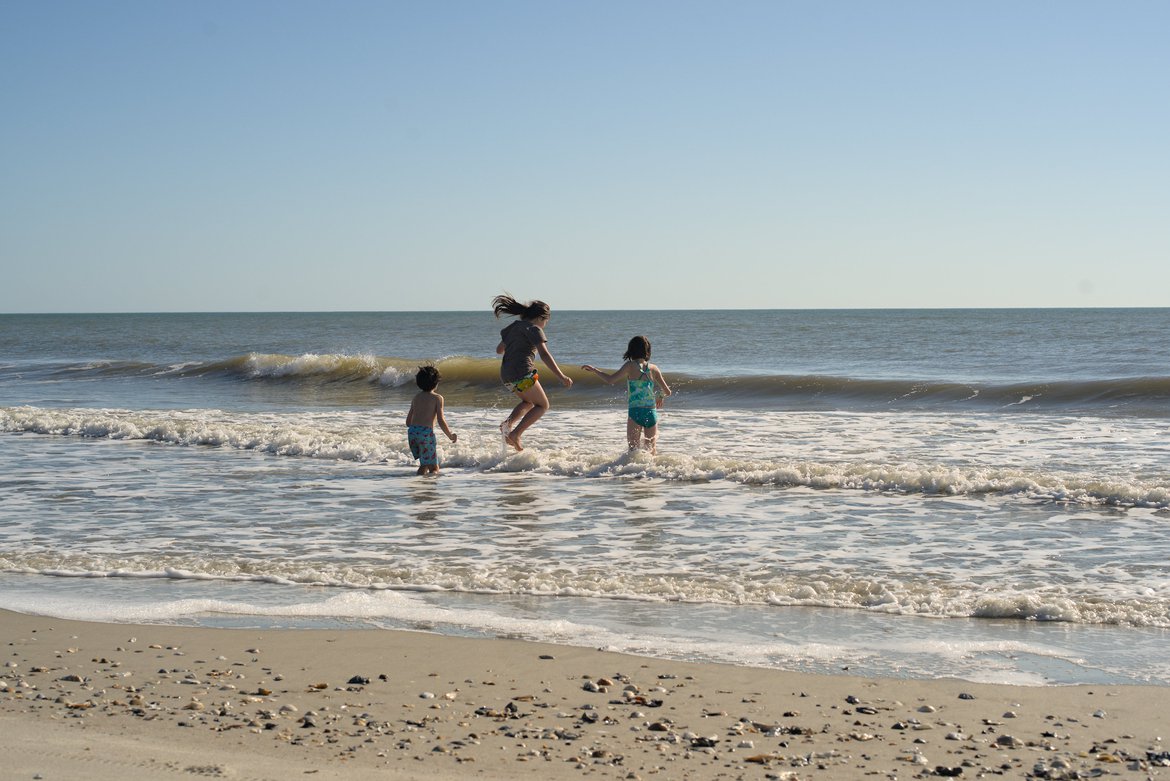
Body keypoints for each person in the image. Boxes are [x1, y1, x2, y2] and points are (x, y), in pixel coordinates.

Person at [492, 293, 573, 451]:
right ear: (541, 317)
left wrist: (516, 346)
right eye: (546, 320)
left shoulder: (513, 327)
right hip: (523, 372)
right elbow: (544, 354)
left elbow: (499, 349)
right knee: (542, 405)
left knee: (528, 402)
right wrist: (561, 376)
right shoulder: (534, 329)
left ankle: (507, 424)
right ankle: (515, 434)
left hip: (506, 374)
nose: (546, 324)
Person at [582, 335, 672, 454]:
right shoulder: (654, 368)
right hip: (651, 413)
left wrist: (595, 370)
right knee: (651, 451)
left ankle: (632, 471)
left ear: (631, 350)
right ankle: (651, 472)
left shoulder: (629, 366)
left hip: (635, 412)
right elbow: (668, 391)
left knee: (633, 451)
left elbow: (610, 380)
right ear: (648, 351)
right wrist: (660, 396)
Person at [405, 365, 457, 475]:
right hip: (425, 434)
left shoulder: (416, 397)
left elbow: (408, 422)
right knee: (434, 467)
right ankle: (429, 488)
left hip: (412, 433)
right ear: (436, 383)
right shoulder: (437, 398)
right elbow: (441, 420)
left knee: (424, 464)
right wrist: (450, 435)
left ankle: (419, 483)